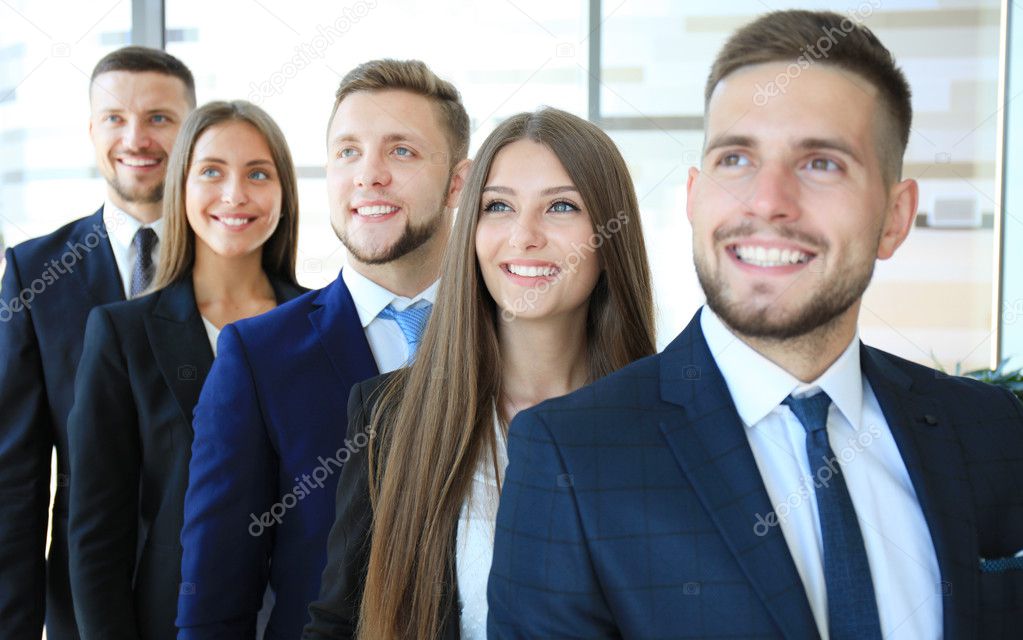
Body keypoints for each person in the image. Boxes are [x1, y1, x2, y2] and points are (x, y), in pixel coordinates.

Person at [489, 10, 1023, 640]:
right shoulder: (569, 457)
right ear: (693, 197)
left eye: (821, 163)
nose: (767, 199)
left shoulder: (992, 433)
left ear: (895, 217)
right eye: (736, 159)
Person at [303, 106, 656, 640]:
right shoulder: (390, 417)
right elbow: (336, 623)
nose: (524, 236)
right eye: (498, 207)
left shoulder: (665, 424)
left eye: (561, 206)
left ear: (609, 235)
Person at [177, 59, 471, 640]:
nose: (368, 175)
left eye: (402, 151)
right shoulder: (257, 358)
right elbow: (214, 599)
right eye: (347, 152)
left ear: (457, 183)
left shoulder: (511, 338)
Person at [66, 100, 306, 640]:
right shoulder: (121, 335)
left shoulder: (322, 326)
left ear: (284, 194)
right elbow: (95, 537)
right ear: (181, 188)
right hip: (170, 622)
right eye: (212, 172)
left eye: (258, 174)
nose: (235, 195)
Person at [0, 46, 194, 640]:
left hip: (217, 593)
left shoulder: (235, 264)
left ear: (192, 130)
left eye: (160, 118)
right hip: (80, 604)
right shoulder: (35, 273)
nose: (136, 137)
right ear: (91, 131)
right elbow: (16, 477)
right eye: (115, 118)